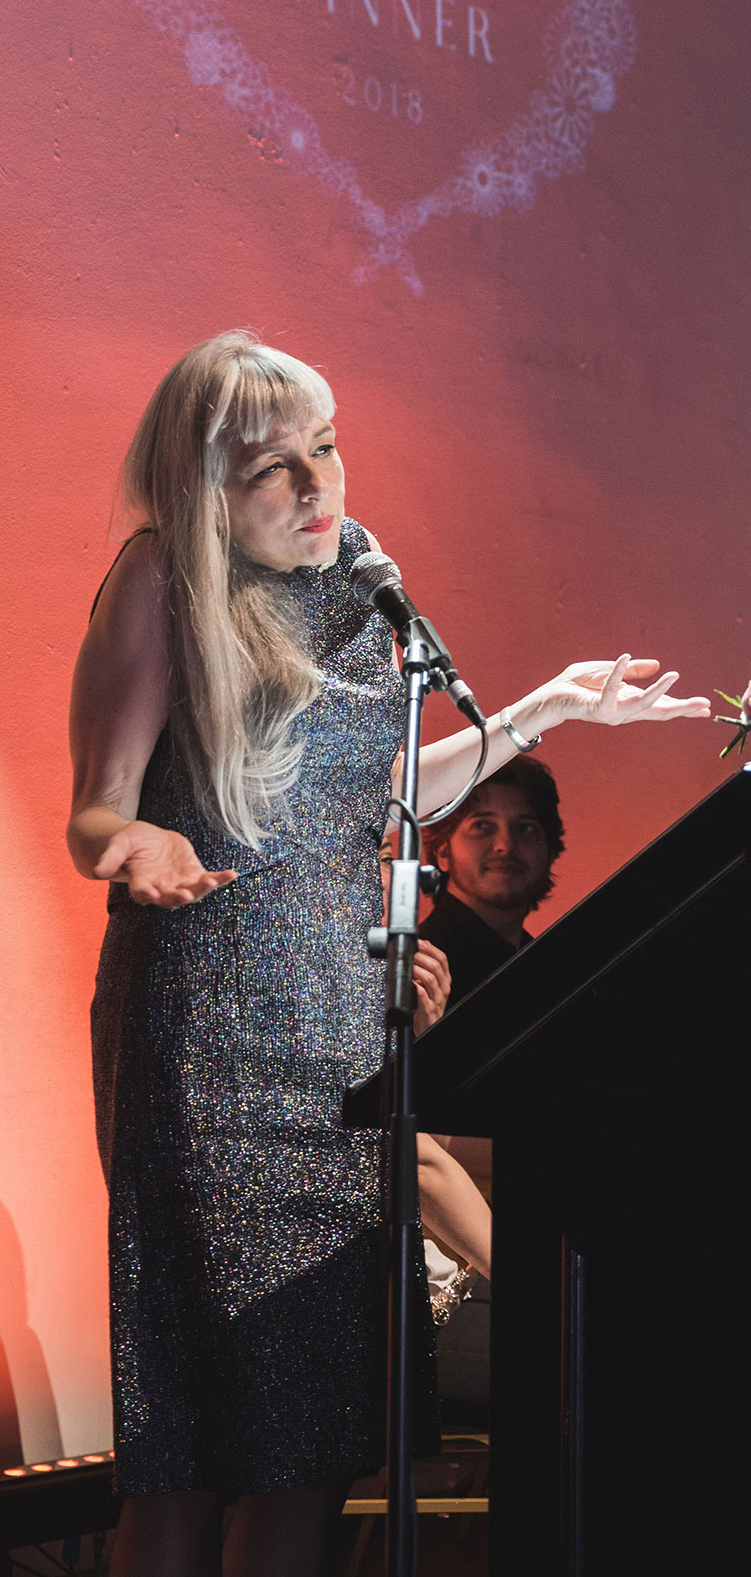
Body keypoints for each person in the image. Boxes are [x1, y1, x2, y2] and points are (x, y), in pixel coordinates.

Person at [67, 330, 708, 1577]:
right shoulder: (159, 581)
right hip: (206, 1037)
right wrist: (134, 842)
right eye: (274, 467)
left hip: (340, 1046)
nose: (318, 489)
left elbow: (383, 801)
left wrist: (548, 707)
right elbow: (92, 809)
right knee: (195, 1440)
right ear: (204, 484)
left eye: (326, 449)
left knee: (315, 1439)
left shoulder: (362, 594)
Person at [420, 754, 566, 1005]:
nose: (505, 846)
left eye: (526, 828)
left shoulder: (549, 965)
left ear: (549, 850)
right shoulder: (420, 970)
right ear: (443, 852)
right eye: (482, 826)